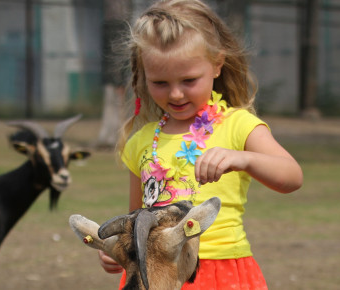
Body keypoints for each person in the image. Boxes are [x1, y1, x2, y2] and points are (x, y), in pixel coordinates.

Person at [103, 0, 303, 288]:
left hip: (220, 272)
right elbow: (136, 219)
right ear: (143, 75)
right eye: (160, 82)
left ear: (217, 65)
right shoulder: (141, 141)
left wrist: (242, 158)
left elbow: (292, 176)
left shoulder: (238, 125)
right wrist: (118, 251)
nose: (175, 94)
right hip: (154, 274)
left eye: (189, 80)